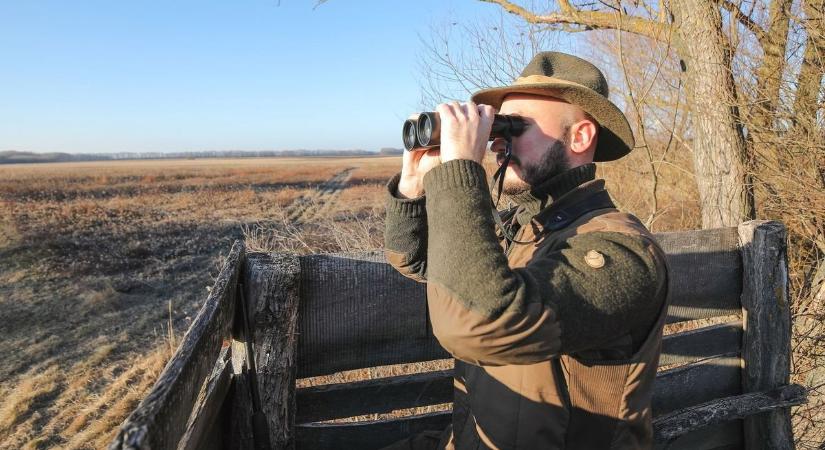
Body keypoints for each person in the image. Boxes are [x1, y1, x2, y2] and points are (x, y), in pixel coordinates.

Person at [382, 51, 670, 450]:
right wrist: (415, 185)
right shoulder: (526, 228)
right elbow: (418, 260)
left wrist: (461, 169)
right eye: (498, 127)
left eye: (515, 127)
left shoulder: (624, 252)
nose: (499, 142)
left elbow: (480, 321)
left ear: (580, 136)